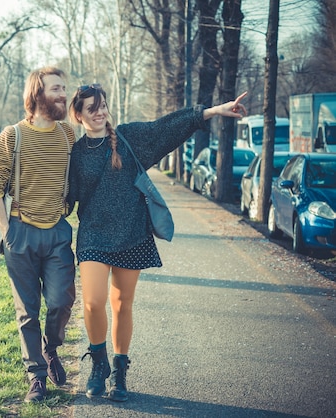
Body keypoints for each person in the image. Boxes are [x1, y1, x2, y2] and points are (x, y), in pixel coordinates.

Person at [67, 84, 247, 402]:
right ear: (78, 114)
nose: (99, 112)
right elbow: (65, 194)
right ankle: (99, 365)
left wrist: (213, 111)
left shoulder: (128, 137)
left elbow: (167, 128)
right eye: (91, 107)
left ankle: (119, 372)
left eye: (103, 105)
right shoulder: (76, 152)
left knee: (122, 304)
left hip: (132, 232)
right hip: (93, 233)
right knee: (93, 302)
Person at [0, 67, 77, 403]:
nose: (63, 94)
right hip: (20, 232)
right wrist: (7, 232)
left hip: (57, 233)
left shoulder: (68, 135)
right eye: (56, 88)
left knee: (61, 301)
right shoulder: (13, 136)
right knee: (27, 312)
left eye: (64, 88)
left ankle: (51, 349)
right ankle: (36, 375)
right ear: (38, 93)